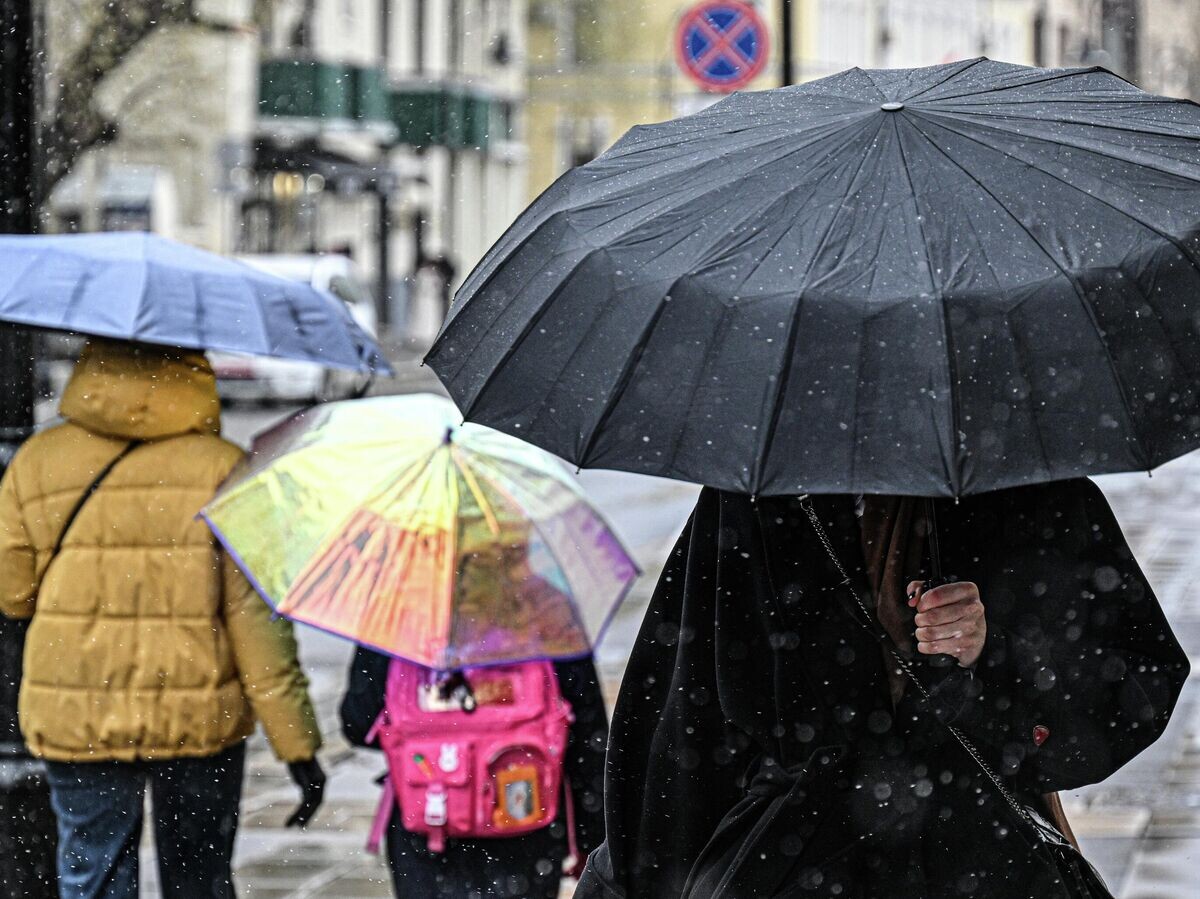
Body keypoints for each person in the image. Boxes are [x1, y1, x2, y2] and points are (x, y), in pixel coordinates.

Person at [576, 482, 1190, 899]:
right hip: (797, 859)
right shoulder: (758, 498)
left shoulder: (1025, 492)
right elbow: (683, 722)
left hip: (985, 854)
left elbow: (1134, 685)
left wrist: (991, 653)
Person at [0, 339, 325, 899]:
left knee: (93, 872)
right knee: (198, 877)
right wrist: (297, 747)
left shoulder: (38, 461)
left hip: (78, 711)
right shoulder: (224, 469)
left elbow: (13, 595)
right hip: (198, 718)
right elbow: (256, 625)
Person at [341, 647, 608, 899]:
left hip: (429, 821)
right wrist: (592, 839)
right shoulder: (543, 616)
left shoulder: (402, 619)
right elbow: (590, 741)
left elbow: (358, 721)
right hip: (523, 821)